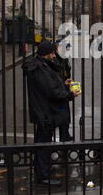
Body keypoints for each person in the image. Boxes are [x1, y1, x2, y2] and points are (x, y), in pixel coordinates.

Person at [22, 41, 81, 186]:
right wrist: (70, 95)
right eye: (52, 53)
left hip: (46, 110)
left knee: (43, 142)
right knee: (43, 144)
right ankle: (43, 176)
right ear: (46, 53)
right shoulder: (38, 68)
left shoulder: (42, 65)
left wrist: (63, 82)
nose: (54, 55)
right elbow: (51, 92)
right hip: (45, 112)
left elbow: (51, 83)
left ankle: (42, 171)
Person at [54, 40, 73, 142]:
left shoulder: (63, 59)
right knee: (60, 114)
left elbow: (66, 72)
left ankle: (65, 134)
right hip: (58, 91)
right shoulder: (54, 60)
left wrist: (67, 81)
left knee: (65, 114)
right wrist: (63, 82)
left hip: (64, 90)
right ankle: (62, 135)